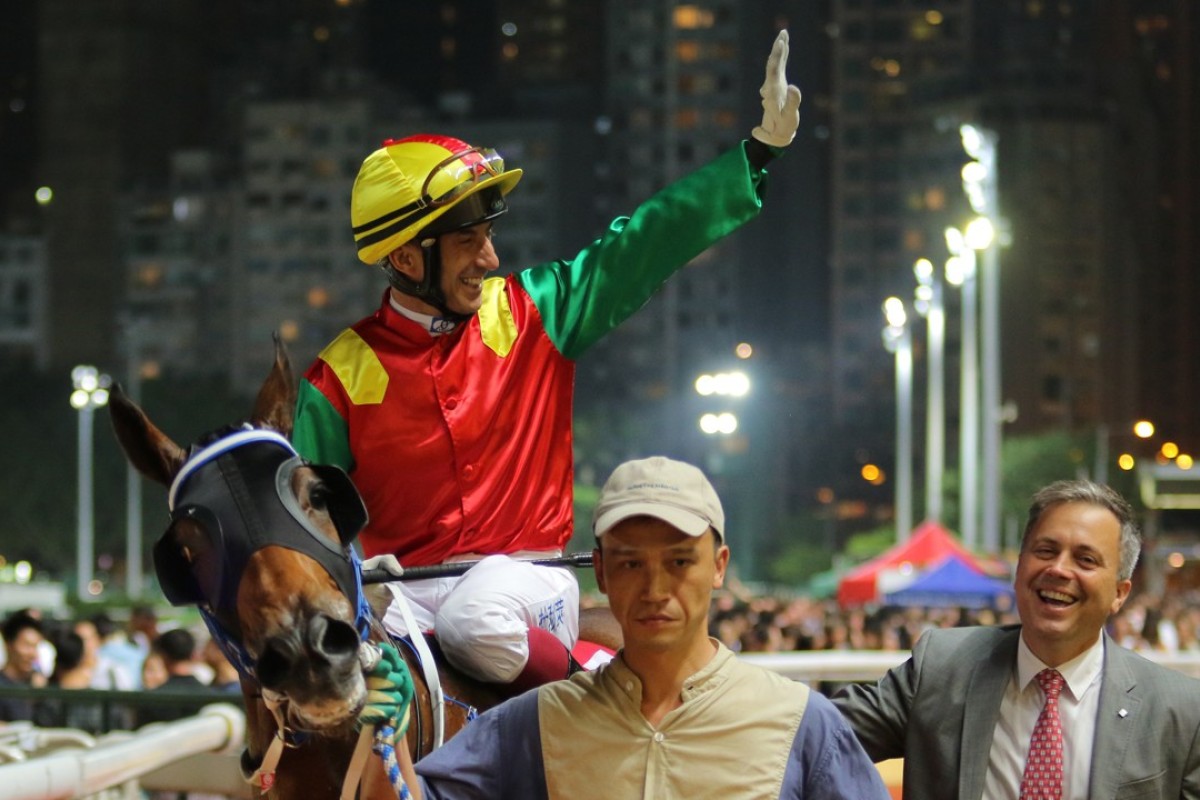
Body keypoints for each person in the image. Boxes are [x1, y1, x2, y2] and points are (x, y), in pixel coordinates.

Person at [292, 28, 804, 691]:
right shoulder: (334, 379)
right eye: (468, 241)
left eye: (489, 237)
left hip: (527, 584)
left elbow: (642, 243)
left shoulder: (537, 311)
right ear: (408, 258)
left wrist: (758, 151)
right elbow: (305, 529)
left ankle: (596, 700)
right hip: (406, 598)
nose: (490, 259)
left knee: (475, 621)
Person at [413, 456, 890, 799]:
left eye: (680, 561)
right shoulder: (536, 724)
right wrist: (380, 727)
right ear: (600, 573)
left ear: (719, 567)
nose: (655, 588)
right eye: (630, 564)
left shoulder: (799, 723)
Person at [832, 479, 1200, 799]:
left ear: (1120, 593)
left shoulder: (1178, 711)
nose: (1058, 569)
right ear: (1020, 566)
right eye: (1045, 551)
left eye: (1085, 560)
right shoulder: (941, 668)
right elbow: (820, 735)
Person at [0, 610, 46, 723]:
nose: (32, 654)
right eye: (27, 645)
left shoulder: (40, 684)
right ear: (9, 645)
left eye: (36, 647)